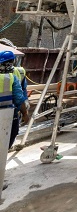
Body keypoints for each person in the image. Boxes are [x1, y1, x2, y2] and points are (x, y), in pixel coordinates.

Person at [0, 51, 28, 194]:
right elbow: (19, 98)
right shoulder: (11, 77)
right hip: (8, 117)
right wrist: (25, 113)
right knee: (3, 147)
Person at [10, 61, 29, 149]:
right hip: (11, 111)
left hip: (12, 111)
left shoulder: (20, 72)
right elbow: (19, 98)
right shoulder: (15, 76)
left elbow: (22, 91)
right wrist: (25, 113)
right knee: (11, 134)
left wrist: (25, 102)